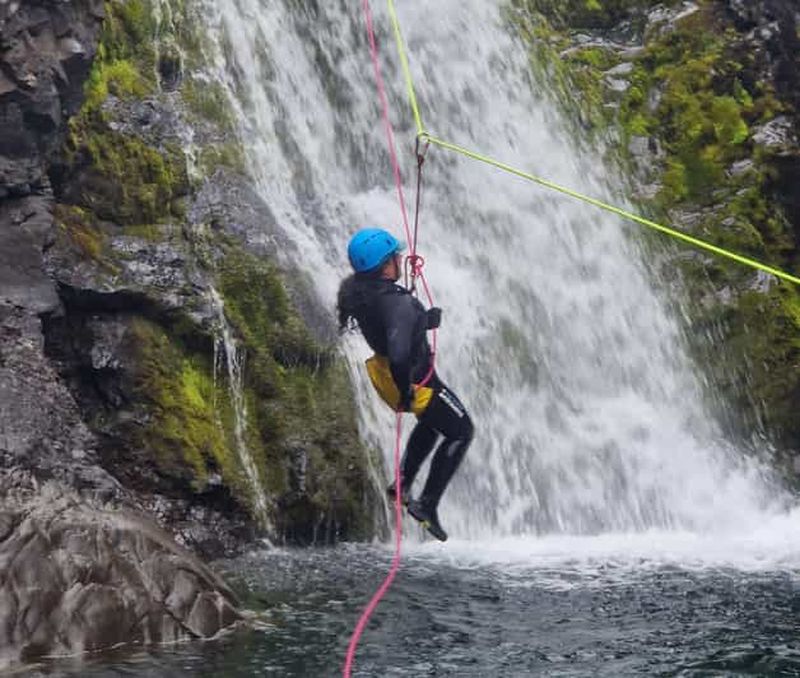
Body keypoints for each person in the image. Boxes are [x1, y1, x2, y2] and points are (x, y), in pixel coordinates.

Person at [337, 227, 474, 541]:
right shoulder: (401, 305)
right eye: (395, 257)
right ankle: (427, 504)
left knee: (430, 423)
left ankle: (401, 482)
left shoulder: (358, 291)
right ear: (387, 265)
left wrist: (425, 321)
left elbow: (388, 327)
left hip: (384, 375)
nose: (400, 259)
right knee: (462, 430)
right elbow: (400, 353)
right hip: (414, 380)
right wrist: (407, 390)